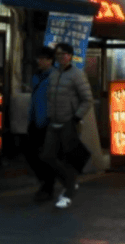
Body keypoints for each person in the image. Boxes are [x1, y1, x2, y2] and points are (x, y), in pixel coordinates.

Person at [41, 42, 93, 209]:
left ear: (70, 56)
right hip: (53, 122)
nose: (61, 57)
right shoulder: (54, 74)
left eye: (64, 54)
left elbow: (87, 99)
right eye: (58, 55)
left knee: (69, 159)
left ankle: (68, 194)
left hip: (68, 122)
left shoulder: (77, 74)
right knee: (48, 156)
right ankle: (69, 183)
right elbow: (49, 97)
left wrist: (76, 118)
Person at [25, 47, 57, 201]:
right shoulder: (36, 77)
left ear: (50, 61)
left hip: (49, 122)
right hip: (34, 120)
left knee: (47, 156)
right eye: (39, 58)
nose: (40, 61)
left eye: (43, 58)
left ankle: (48, 187)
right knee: (30, 153)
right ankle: (45, 182)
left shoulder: (56, 78)